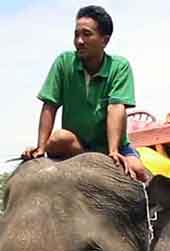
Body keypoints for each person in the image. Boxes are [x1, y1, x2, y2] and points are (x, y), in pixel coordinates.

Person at [21, 6, 147, 181]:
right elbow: (50, 104)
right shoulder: (64, 62)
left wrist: (113, 151)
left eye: (87, 34)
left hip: (110, 146)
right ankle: (98, 164)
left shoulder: (119, 67)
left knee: (137, 170)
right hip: (77, 145)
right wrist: (40, 147)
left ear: (105, 40)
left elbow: (116, 108)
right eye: (76, 34)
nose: (79, 41)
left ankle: (107, 162)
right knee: (58, 138)